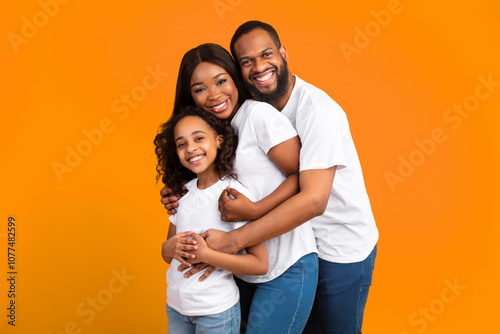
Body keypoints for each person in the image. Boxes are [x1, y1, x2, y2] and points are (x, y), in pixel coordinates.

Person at [167, 21, 379, 333]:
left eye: (266, 54)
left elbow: (312, 198)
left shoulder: (314, 113)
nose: (258, 67)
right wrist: (180, 194)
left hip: (336, 243)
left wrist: (239, 230)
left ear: (283, 53)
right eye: (246, 61)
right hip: (278, 246)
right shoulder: (233, 119)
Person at [160, 43, 318, 333]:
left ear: (235, 78)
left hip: (286, 263)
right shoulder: (211, 135)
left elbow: (302, 177)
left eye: (221, 81)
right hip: (241, 274)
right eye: (200, 89)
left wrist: (255, 209)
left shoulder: (257, 115)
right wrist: (176, 196)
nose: (214, 95)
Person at [154, 106, 269, 333]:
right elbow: (169, 255)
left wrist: (209, 256)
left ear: (218, 141)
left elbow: (260, 264)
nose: (191, 148)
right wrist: (167, 246)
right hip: (176, 307)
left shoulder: (233, 195)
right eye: (181, 144)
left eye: (198, 138)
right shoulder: (182, 195)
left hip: (216, 312)